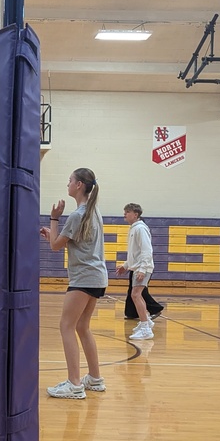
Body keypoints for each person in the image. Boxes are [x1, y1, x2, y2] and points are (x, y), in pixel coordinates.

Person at [39, 168, 107, 399]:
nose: (67, 184)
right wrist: (54, 234)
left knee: (66, 326)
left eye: (70, 181)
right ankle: (95, 379)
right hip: (97, 277)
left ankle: (74, 384)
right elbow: (70, 242)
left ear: (79, 185)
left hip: (83, 277)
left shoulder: (77, 214)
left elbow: (56, 247)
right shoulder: (93, 211)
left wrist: (55, 218)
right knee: (82, 327)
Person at [117, 202, 155, 340]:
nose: (124, 214)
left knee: (135, 295)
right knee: (137, 295)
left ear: (135, 214)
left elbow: (147, 250)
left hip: (143, 268)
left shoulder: (140, 229)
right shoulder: (134, 229)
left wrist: (143, 269)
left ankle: (145, 328)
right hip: (138, 267)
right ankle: (147, 321)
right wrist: (126, 266)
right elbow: (135, 253)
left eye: (127, 212)